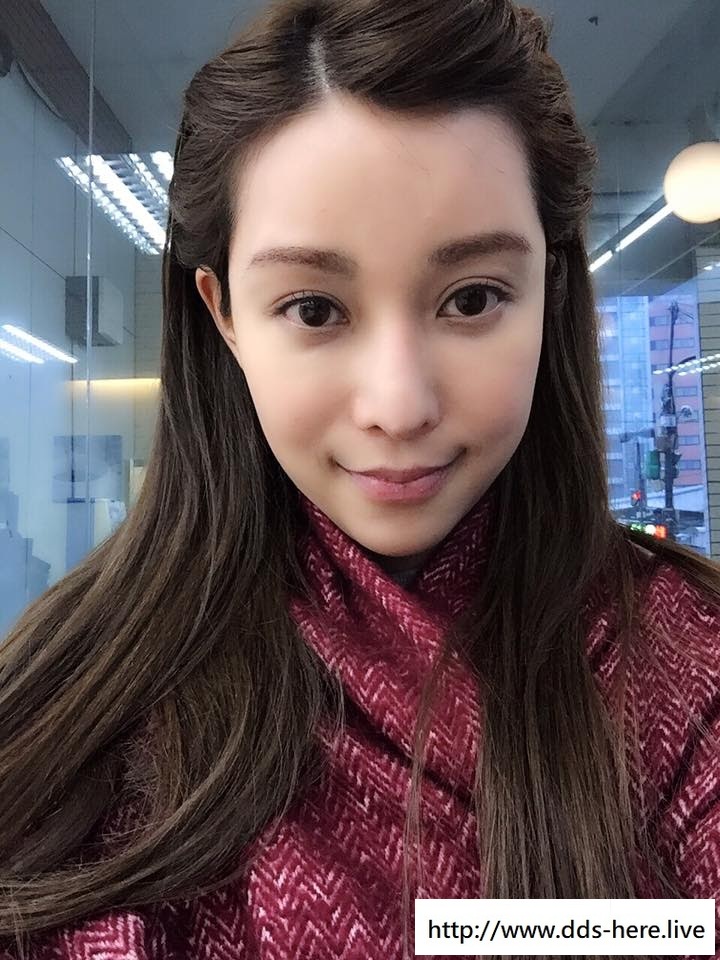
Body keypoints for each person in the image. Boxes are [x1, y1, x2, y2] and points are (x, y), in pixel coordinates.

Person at [0, 0, 718, 957]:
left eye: (473, 298)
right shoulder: (62, 699)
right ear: (224, 314)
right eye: (313, 308)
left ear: (549, 289)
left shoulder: (689, 665)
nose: (399, 405)